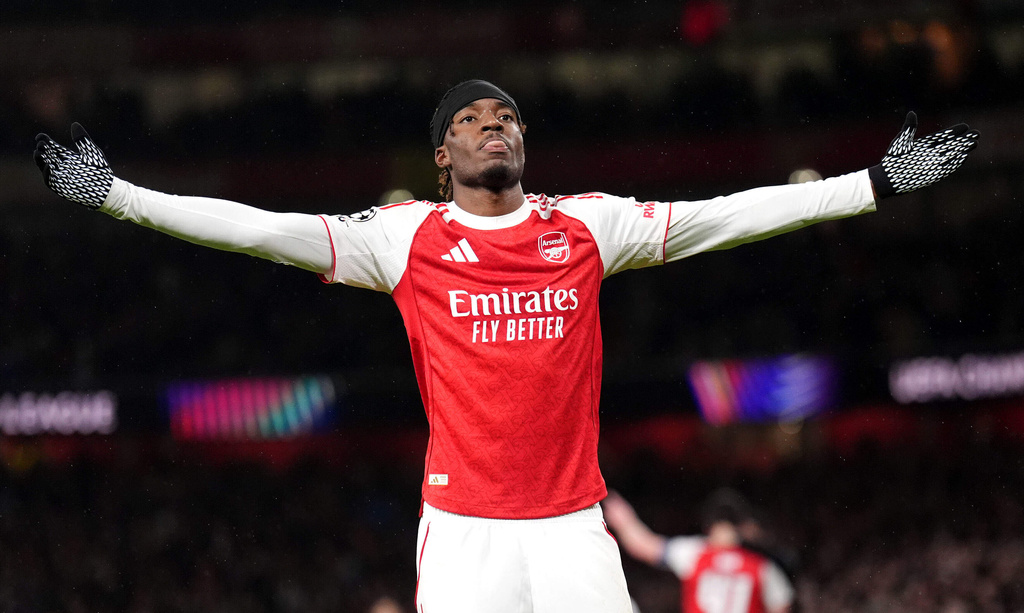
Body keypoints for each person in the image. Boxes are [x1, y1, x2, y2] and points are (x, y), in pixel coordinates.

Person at [33, 79, 978, 613]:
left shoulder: (588, 227)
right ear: (442, 155)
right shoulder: (400, 240)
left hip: (575, 526)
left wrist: (871, 183)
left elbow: (726, 218)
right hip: (467, 537)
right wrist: (119, 195)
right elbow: (258, 229)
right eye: (473, 120)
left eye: (510, 116)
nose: (496, 125)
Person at [603, 490, 794, 613]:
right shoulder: (762, 567)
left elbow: (643, 546)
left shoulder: (695, 553)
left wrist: (624, 518)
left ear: (709, 525)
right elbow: (781, 606)